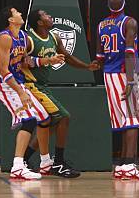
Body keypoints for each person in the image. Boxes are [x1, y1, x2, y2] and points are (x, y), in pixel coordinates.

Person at [22, 9, 99, 178]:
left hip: (42, 86)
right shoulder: (29, 39)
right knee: (64, 117)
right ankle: (58, 163)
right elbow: (19, 61)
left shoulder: (54, 37)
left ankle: (26, 159)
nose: (50, 16)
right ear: (40, 22)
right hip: (31, 86)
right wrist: (30, 61)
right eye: (45, 15)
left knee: (50, 123)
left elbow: (67, 57)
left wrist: (87, 66)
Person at [0, 7, 60, 180]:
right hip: (5, 85)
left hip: (19, 83)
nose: (20, 13)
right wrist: (20, 93)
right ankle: (17, 166)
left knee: (45, 118)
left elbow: (27, 61)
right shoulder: (5, 38)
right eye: (16, 12)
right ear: (10, 20)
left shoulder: (22, 36)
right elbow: (2, 71)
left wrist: (48, 60)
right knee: (28, 120)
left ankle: (45, 162)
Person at [97, 0, 139, 180]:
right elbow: (128, 51)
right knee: (133, 120)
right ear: (124, 5)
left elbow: (100, 56)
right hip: (124, 74)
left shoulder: (101, 25)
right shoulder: (129, 22)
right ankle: (129, 165)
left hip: (108, 75)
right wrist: (131, 80)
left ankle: (122, 166)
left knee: (124, 121)